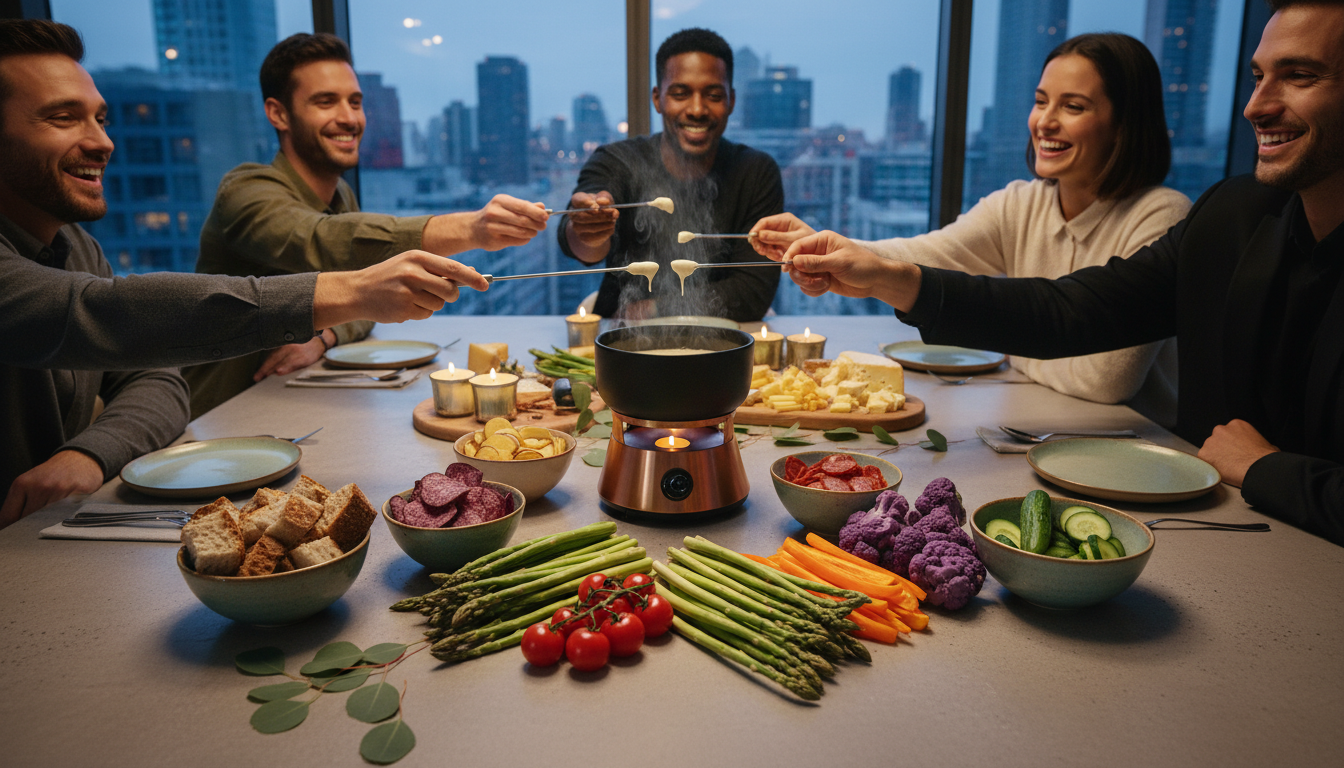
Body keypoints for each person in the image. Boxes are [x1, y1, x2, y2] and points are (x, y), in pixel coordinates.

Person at [771, 0, 1344, 546]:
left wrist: (1269, 471)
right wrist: (864, 266)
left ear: (1124, 125)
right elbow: (1073, 310)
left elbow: (1102, 374)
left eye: (1300, 76)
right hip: (1210, 521)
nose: (1256, 106)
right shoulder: (1236, 216)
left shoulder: (1176, 211)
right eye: (1257, 76)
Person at [0, 20, 490, 527]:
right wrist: (457, 232)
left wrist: (89, 453)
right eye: (62, 118)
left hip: (263, 432)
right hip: (226, 427)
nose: (102, 142)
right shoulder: (246, 189)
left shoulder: (75, 244)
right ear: (277, 113)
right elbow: (108, 316)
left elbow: (154, 374)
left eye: (101, 119)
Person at [752, 33, 1190, 426]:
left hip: (1133, 452)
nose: (1045, 122)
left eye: (1073, 106)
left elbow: (1105, 380)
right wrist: (829, 246)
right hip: (1038, 425)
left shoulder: (1162, 214)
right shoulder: (1021, 202)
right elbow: (927, 252)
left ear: (1124, 126)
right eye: (1041, 101)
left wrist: (1014, 347)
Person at [183, 33, 549, 418]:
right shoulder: (244, 191)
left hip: (296, 410)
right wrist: (472, 229)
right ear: (278, 114)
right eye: (326, 102)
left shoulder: (341, 197)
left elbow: (363, 302)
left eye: (355, 102)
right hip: (216, 420)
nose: (349, 117)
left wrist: (324, 336)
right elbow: (320, 240)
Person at [560, 28, 783, 321]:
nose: (697, 109)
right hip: (621, 342)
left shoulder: (756, 172)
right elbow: (578, 245)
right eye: (680, 94)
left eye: (714, 95)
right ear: (658, 98)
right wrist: (588, 230)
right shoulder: (618, 161)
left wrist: (656, 310)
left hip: (722, 347)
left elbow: (753, 290)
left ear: (731, 100)